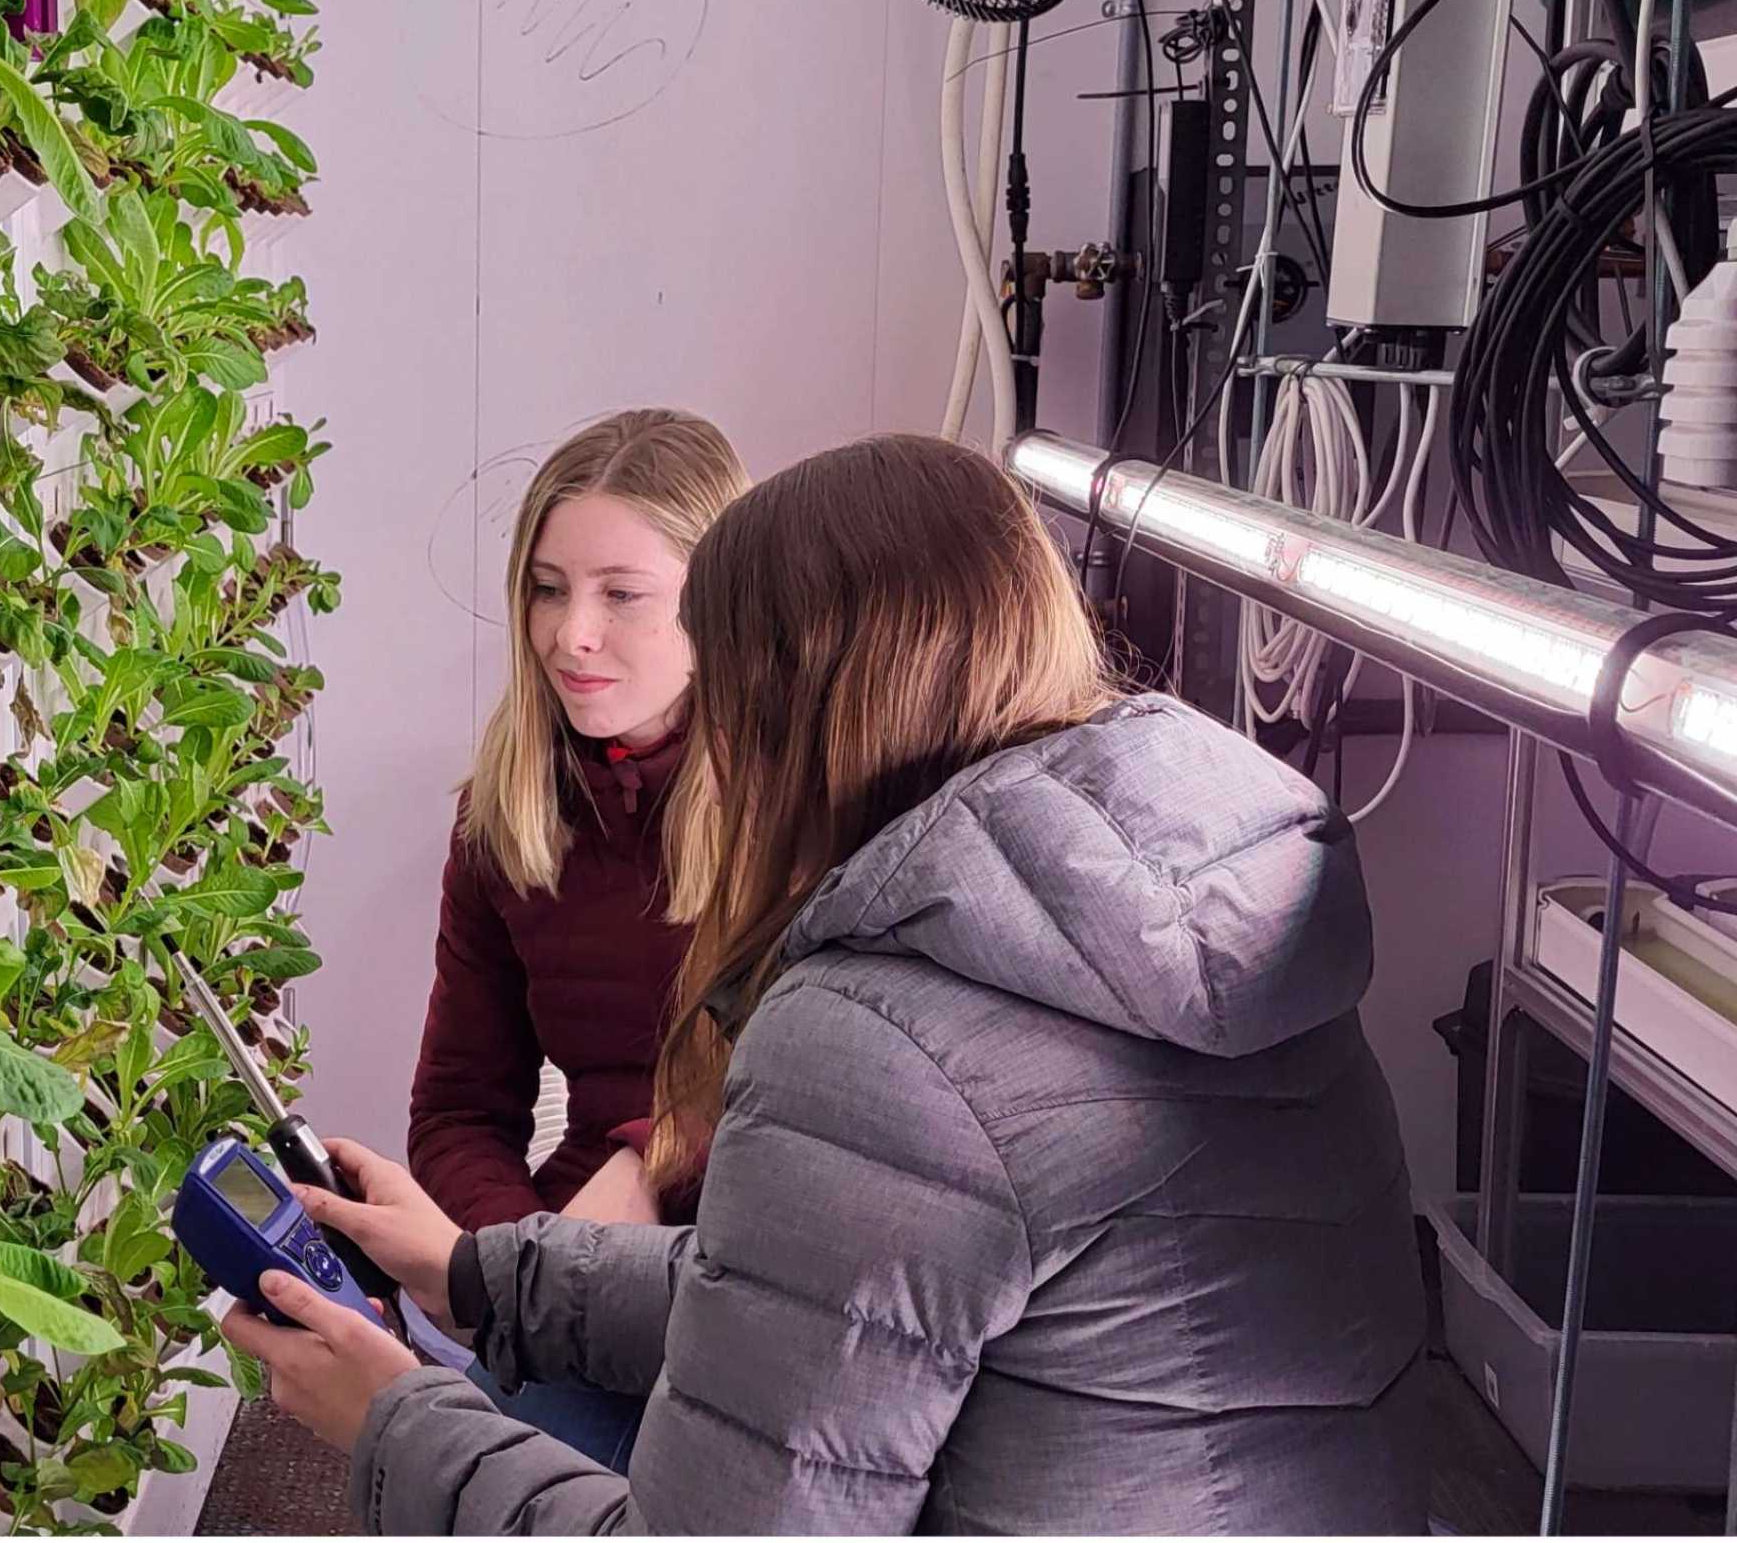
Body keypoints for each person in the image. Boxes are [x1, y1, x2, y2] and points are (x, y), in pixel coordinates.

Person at [226, 434, 1429, 1534]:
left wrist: (394, 1418)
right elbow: (842, 1307)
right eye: (547, 589)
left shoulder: (882, 1037)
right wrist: (481, 1273)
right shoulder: (1225, 929)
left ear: (782, 698)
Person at [402, 407, 748, 1472]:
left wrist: (654, 1164)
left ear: (723, 605)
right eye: (547, 589)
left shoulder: (807, 810)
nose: (570, 633)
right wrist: (516, 1271)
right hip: (582, 1265)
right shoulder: (504, 819)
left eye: (621, 595)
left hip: (764, 1271)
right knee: (444, 1478)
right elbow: (459, 1110)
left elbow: (861, 1110)